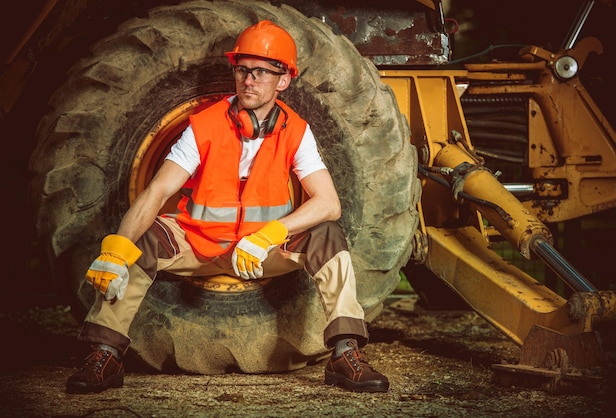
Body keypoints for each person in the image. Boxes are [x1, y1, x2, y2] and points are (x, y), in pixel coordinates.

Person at [65, 20, 389, 395]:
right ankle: (104, 354)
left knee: (328, 236)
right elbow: (156, 191)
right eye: (242, 70)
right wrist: (117, 248)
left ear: (283, 80)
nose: (248, 80)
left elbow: (328, 203)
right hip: (198, 245)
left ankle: (345, 353)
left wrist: (271, 234)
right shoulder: (203, 126)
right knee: (139, 240)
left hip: (261, 251)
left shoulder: (296, 131)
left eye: (261, 72)